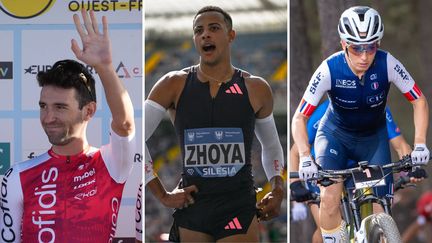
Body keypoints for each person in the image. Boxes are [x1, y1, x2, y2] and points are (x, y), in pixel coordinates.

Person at [144, 5, 285, 242]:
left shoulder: (256, 88)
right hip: (194, 205)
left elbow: (271, 146)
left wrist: (278, 190)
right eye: (199, 30)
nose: (205, 34)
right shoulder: (172, 84)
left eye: (214, 28)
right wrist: (162, 195)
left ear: (231, 35)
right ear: (195, 39)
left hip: (238, 204)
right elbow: (134, 138)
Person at [291, 6, 429, 242]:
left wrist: (419, 145)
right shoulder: (329, 69)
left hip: (372, 139)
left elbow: (418, 100)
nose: (364, 56)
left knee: (382, 209)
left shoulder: (387, 63)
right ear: (344, 43)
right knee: (330, 199)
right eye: (356, 48)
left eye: (371, 47)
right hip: (335, 136)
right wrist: (305, 156)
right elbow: (299, 118)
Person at [0, 9, 135, 242]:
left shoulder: (111, 162)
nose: (48, 117)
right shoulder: (17, 176)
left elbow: (124, 124)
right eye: (44, 106)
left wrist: (104, 67)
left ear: (89, 111)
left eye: (60, 107)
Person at [290, 100, 412, 243]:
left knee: (380, 209)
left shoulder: (377, 108)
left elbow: (401, 144)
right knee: (326, 226)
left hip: (357, 166)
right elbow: (294, 152)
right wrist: (295, 184)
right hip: (326, 166)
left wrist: (411, 169)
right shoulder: (325, 111)